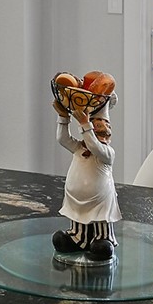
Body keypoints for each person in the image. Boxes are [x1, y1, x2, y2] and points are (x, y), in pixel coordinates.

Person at [51, 72, 119, 261]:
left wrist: (84, 124)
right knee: (77, 222)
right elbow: (62, 139)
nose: (98, 129)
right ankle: (77, 238)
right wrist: (63, 117)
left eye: (101, 126)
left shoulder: (106, 153)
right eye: (94, 125)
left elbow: (94, 146)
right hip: (76, 199)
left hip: (99, 201)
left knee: (100, 223)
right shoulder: (79, 148)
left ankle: (103, 240)